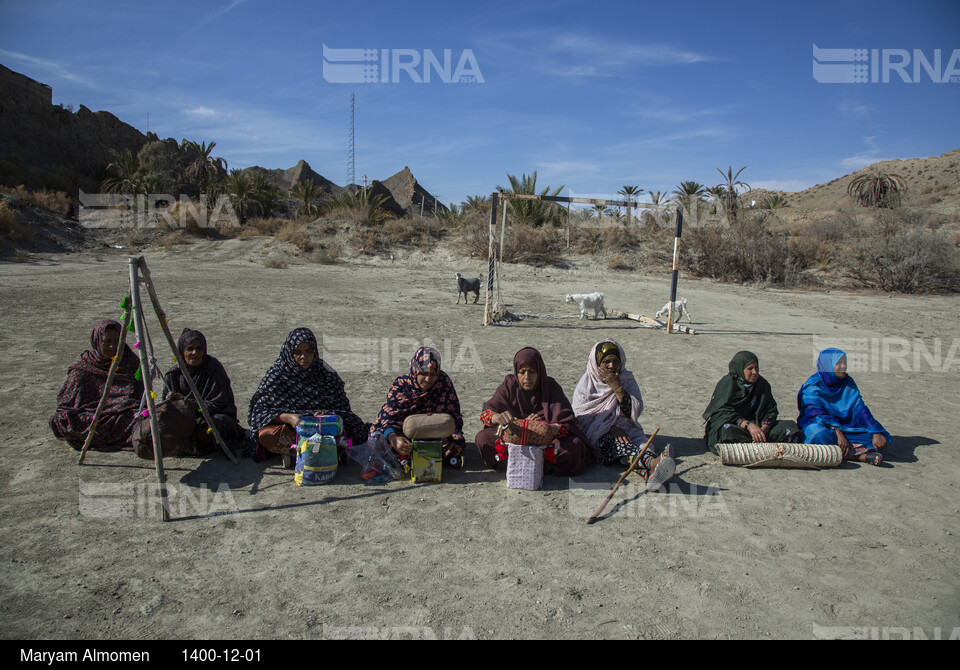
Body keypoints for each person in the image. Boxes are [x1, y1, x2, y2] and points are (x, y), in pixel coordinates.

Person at [247, 328, 368, 466]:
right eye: (297, 353)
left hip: (324, 426)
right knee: (266, 435)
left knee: (356, 431)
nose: (303, 357)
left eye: (308, 351)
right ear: (289, 353)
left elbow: (343, 408)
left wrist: (328, 414)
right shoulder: (277, 375)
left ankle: (332, 448)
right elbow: (259, 412)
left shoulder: (325, 372)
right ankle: (300, 451)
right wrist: (289, 417)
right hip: (292, 429)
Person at [475, 347, 594, 477]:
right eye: (522, 372)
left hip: (546, 443)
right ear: (516, 372)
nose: (527, 377)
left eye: (532, 372)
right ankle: (536, 464)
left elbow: (568, 424)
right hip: (513, 439)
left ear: (540, 371)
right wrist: (498, 417)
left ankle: (525, 464)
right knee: (483, 438)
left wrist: (545, 427)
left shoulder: (550, 387)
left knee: (574, 446)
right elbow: (486, 414)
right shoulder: (510, 385)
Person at [573, 339, 675, 489]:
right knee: (616, 444)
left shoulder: (626, 379)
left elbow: (635, 410)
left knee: (636, 445)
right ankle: (654, 463)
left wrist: (617, 387)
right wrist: (609, 428)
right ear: (596, 363)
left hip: (627, 430)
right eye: (606, 361)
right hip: (598, 435)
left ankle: (651, 476)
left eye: (616, 361)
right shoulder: (587, 384)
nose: (612, 366)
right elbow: (582, 419)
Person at [50, 319, 143, 451]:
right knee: (66, 421)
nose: (112, 346)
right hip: (92, 415)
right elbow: (66, 405)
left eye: (116, 341)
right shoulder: (83, 367)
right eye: (107, 341)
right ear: (98, 340)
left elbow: (138, 398)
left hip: (120, 416)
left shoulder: (130, 361)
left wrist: (120, 406)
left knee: (138, 418)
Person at [370, 346, 466, 468]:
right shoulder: (401, 385)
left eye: (433, 374)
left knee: (458, 441)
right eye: (424, 373)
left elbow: (454, 418)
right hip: (404, 435)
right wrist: (394, 438)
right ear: (415, 370)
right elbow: (388, 418)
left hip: (436, 435)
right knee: (378, 441)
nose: (428, 379)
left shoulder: (443, 383)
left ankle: (415, 459)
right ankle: (429, 458)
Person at [797, 348, 891, 466]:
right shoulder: (813, 386)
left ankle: (841, 453)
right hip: (826, 428)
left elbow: (859, 409)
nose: (843, 366)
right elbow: (814, 414)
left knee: (880, 437)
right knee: (816, 434)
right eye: (838, 363)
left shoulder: (847, 382)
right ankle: (857, 456)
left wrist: (875, 432)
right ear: (828, 365)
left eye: (845, 363)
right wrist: (837, 432)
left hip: (847, 428)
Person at [161, 328, 245, 456]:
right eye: (190, 349)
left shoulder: (213, 368)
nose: (195, 352)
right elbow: (166, 406)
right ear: (182, 351)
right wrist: (177, 403)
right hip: (185, 420)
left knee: (215, 425)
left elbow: (219, 402)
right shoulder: (173, 375)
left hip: (213, 415)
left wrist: (192, 405)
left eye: (199, 348)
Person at [703, 350, 802, 453]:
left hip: (758, 427)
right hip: (736, 426)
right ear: (740, 369)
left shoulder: (762, 384)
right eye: (750, 369)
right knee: (726, 431)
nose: (755, 372)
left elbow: (770, 410)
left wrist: (764, 428)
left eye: (756, 368)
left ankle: (755, 442)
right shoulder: (728, 384)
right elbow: (720, 412)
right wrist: (748, 425)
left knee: (790, 426)